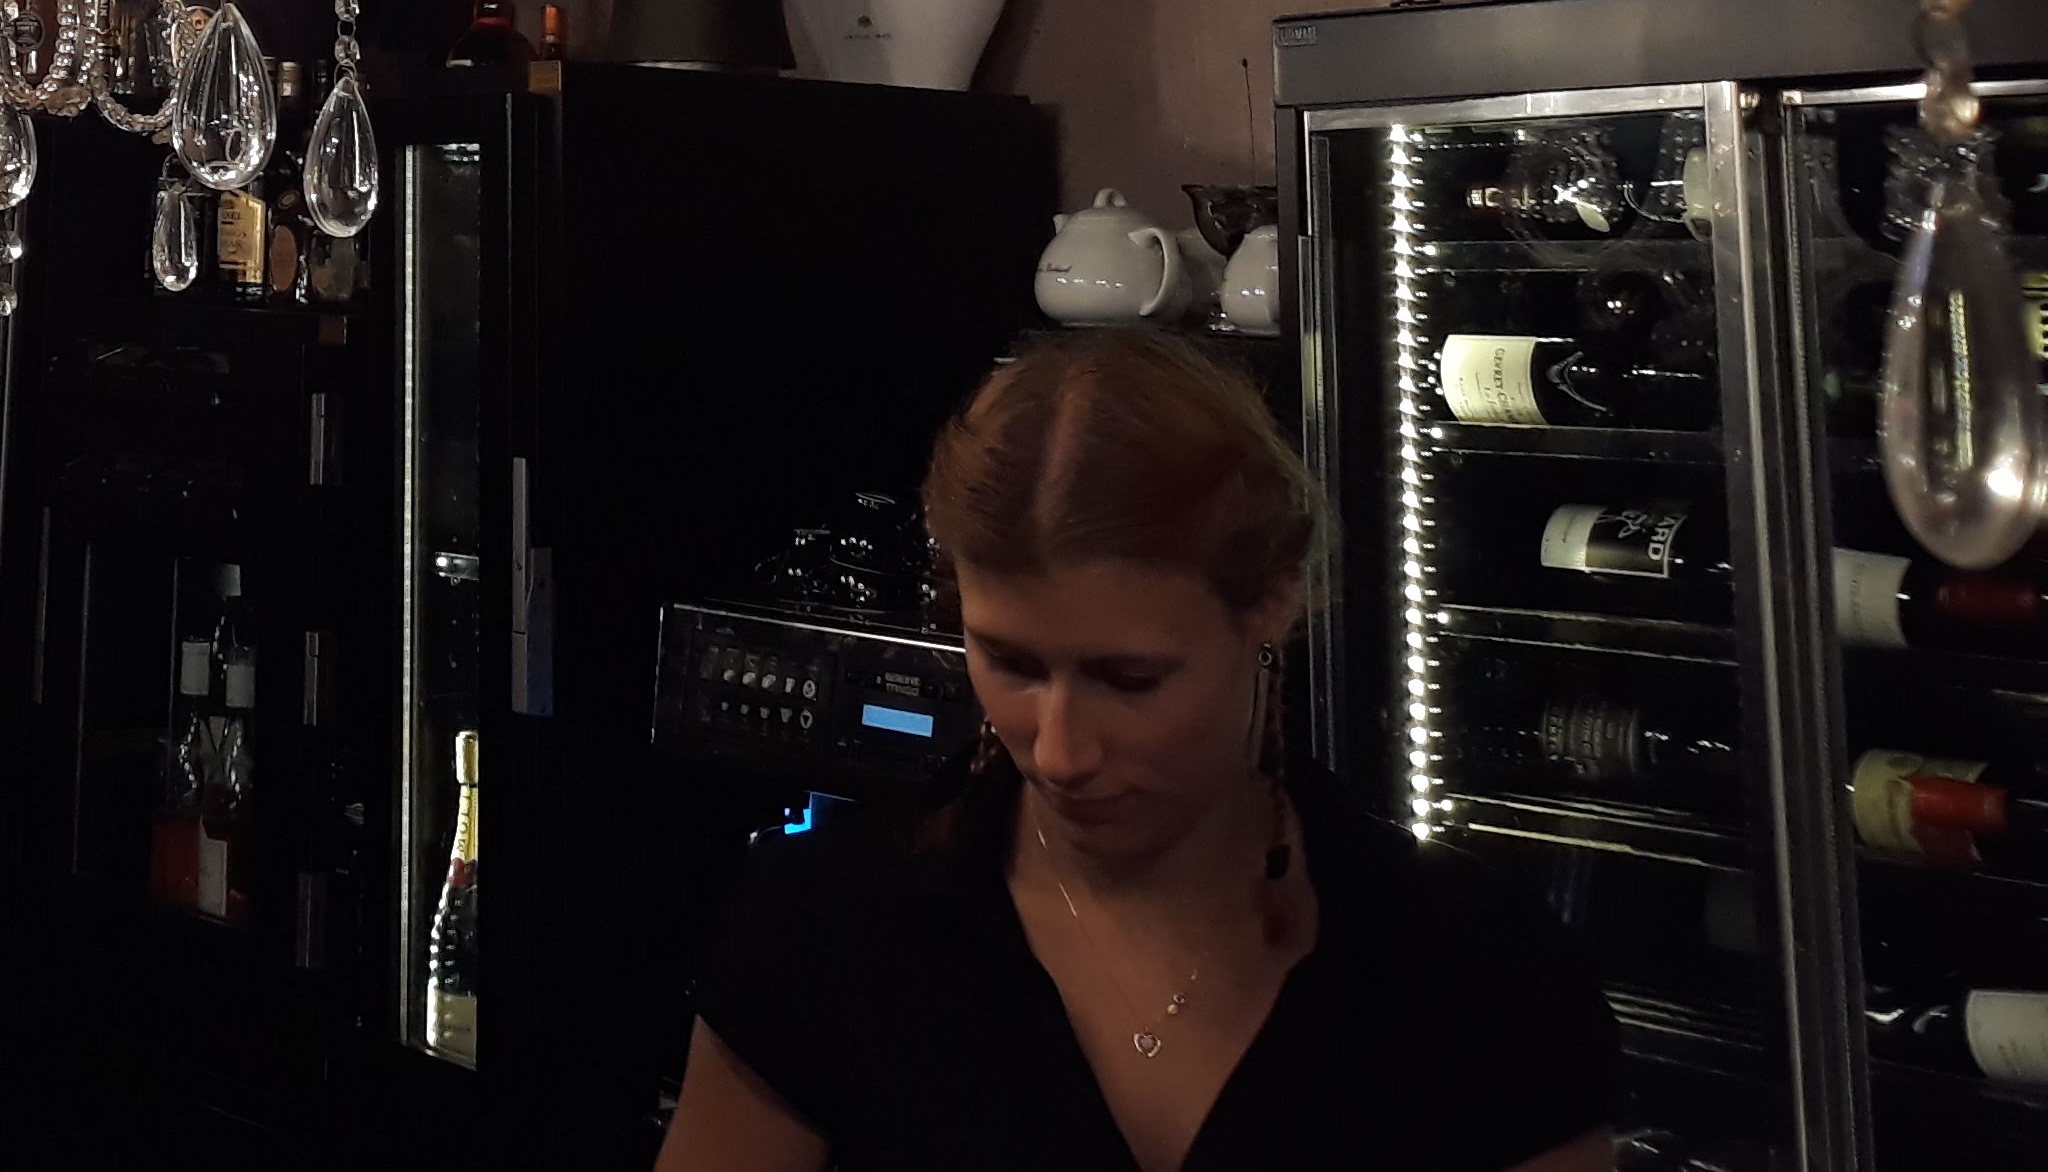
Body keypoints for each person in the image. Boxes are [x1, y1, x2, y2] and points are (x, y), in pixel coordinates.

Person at [657, 330, 1616, 1172]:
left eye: (1129, 679)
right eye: (1011, 664)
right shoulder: (830, 922)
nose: (1061, 752)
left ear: (1271, 601)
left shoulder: (1469, 965)